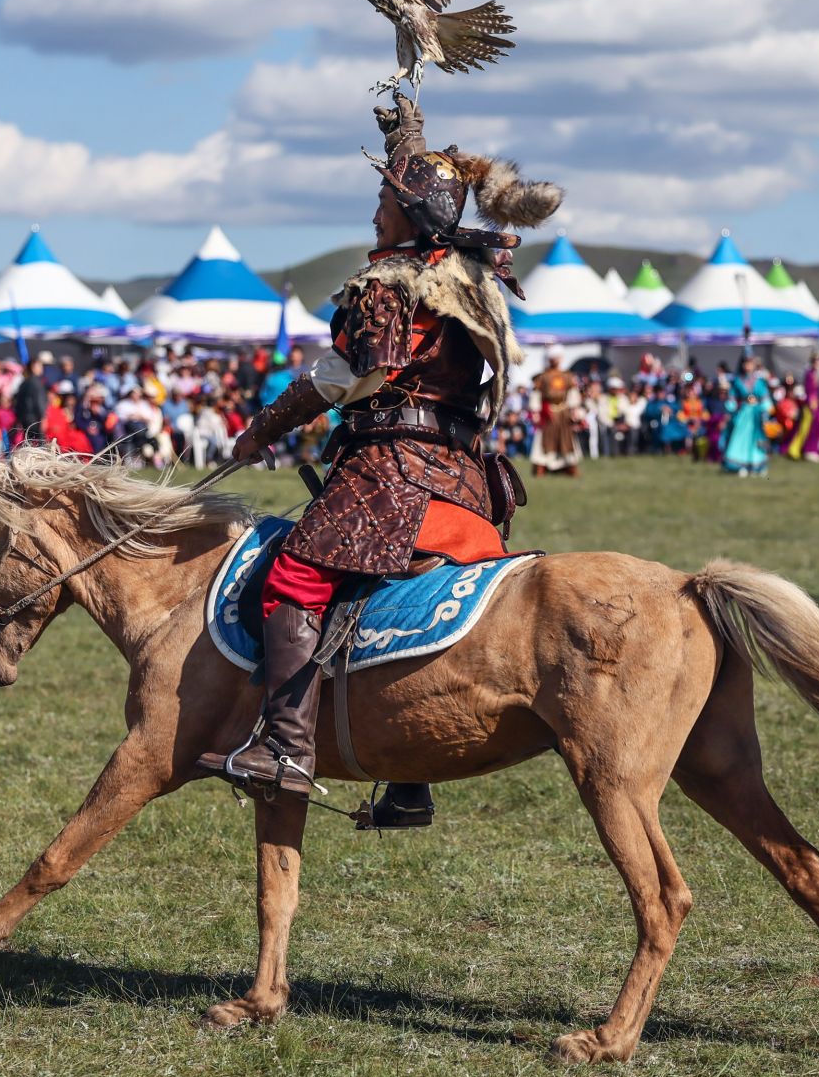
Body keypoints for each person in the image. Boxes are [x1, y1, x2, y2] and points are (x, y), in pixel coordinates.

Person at [197, 95, 556, 828]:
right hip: (464, 485)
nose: (374, 213)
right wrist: (405, 132)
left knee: (294, 578)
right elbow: (432, 192)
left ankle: (287, 749)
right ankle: (407, 771)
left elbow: (347, 376)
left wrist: (261, 429)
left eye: (385, 201)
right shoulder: (459, 276)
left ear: (412, 215)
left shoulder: (388, 288)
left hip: (393, 475)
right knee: (377, 596)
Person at [529, 347, 582, 476]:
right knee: (545, 440)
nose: (555, 360)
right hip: (548, 412)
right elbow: (536, 394)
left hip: (564, 412)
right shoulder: (542, 377)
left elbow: (573, 393)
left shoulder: (568, 376)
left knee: (567, 439)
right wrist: (535, 412)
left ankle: (569, 467)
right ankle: (542, 467)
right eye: (553, 357)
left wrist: (574, 409)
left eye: (557, 357)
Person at [721, 352, 772, 476]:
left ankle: (757, 465)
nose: (748, 365)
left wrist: (767, 409)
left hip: (756, 413)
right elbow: (732, 397)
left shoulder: (759, 380)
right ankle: (740, 464)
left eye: (750, 362)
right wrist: (730, 405)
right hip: (743, 413)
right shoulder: (737, 380)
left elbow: (765, 397)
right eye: (746, 362)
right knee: (741, 439)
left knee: (757, 439)